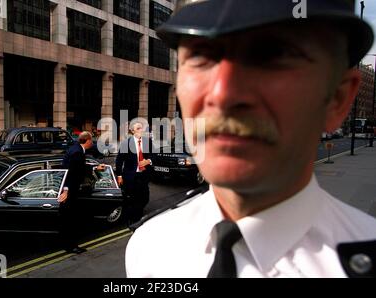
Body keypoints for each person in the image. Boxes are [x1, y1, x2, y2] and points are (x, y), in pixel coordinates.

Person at [125, 0, 376, 278]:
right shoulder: (149, 247)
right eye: (200, 56)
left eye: (273, 55)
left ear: (338, 100)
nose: (222, 94)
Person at [58, 131, 105, 253]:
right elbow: (72, 172)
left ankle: (67, 244)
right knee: (71, 220)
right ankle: (71, 246)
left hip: (69, 187)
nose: (92, 143)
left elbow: (79, 166)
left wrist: (94, 167)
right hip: (71, 189)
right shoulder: (78, 152)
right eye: (91, 141)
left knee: (68, 219)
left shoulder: (75, 148)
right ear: (88, 141)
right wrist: (66, 190)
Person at [115, 121, 153, 225]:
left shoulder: (148, 142)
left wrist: (148, 161)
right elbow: (119, 160)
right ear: (132, 131)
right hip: (130, 176)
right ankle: (133, 221)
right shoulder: (125, 143)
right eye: (138, 128)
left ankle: (137, 215)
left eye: (142, 128)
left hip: (143, 175)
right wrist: (119, 175)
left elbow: (153, 155)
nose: (141, 130)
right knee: (131, 199)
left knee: (144, 197)